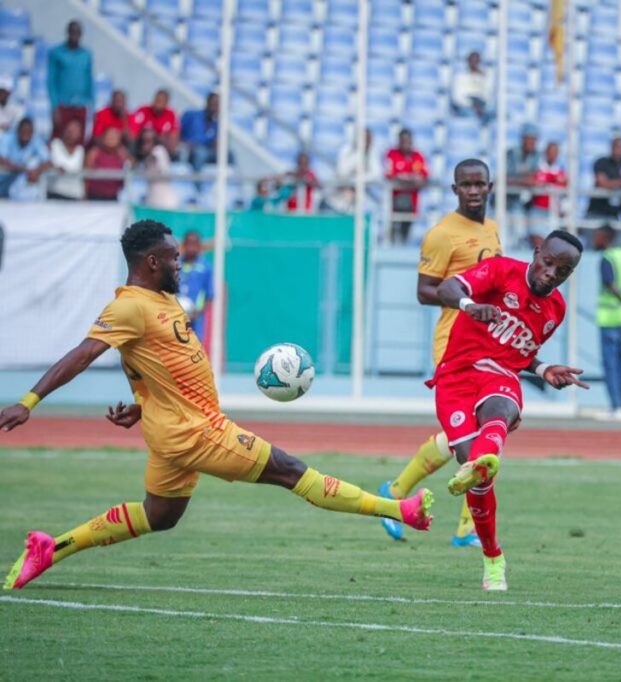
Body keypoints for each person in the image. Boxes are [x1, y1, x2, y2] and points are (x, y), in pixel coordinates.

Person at [1, 219, 434, 591]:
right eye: (172, 257)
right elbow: (85, 353)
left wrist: (144, 400)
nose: (179, 263)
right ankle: (399, 509)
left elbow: (142, 359)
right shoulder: (130, 305)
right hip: (197, 432)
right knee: (291, 471)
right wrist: (29, 402)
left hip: (173, 428)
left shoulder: (163, 300)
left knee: (160, 516)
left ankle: (50, 548)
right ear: (151, 262)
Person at [429, 230, 587, 590]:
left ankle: (485, 459)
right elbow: (446, 290)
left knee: (499, 407)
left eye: (562, 271)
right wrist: (470, 306)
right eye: (548, 262)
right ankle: (493, 555)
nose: (551, 273)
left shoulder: (555, 310)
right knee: (479, 480)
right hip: (455, 377)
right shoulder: (500, 271)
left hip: (498, 376)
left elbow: (517, 354)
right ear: (537, 253)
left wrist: (543, 369)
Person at [377, 158, 503, 548]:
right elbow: (424, 290)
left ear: (489, 186)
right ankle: (465, 521)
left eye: (479, 184)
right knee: (473, 434)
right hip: (454, 341)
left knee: (471, 433)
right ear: (454, 190)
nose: (473, 190)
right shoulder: (442, 235)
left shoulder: (494, 230)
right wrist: (468, 306)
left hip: (488, 341)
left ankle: (397, 492)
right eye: (465, 185)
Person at [593, 224, 621, 422]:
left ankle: (616, 406)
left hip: (609, 318)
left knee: (611, 364)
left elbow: (610, 286)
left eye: (597, 236)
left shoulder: (607, 258)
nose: (594, 239)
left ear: (605, 237)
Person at [586, 134, 621, 245]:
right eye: (616, 147)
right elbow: (602, 182)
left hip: (616, 215)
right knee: (591, 244)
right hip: (597, 212)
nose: (618, 150)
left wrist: (615, 184)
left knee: (620, 246)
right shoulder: (602, 162)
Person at [47, 21, 93, 141]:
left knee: (78, 139)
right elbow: (51, 81)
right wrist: (55, 106)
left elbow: (89, 80)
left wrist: (90, 103)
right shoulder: (57, 53)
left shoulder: (86, 55)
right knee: (58, 138)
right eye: (72, 32)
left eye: (77, 32)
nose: (74, 35)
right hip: (63, 104)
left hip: (80, 104)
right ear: (67, 33)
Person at [384, 128, 429, 244]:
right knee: (393, 228)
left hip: (412, 202)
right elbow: (390, 177)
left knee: (406, 230)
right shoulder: (392, 154)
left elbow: (424, 179)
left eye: (408, 141)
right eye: (403, 141)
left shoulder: (418, 157)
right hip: (394, 201)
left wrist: (404, 179)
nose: (406, 144)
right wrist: (411, 180)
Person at [330, 128, 382, 213]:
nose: (368, 143)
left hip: (357, 199)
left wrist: (358, 178)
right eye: (365, 140)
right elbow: (342, 172)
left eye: (369, 140)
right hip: (338, 199)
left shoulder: (371, 153)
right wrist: (358, 155)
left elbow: (376, 174)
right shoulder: (346, 150)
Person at [178, 230, 214, 349]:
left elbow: (210, 295)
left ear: (199, 246)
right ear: (184, 245)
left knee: (193, 350)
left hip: (195, 320)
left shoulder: (205, 267)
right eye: (189, 243)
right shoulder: (175, 265)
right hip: (175, 318)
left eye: (195, 244)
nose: (191, 247)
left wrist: (196, 313)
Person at [528, 141, 568, 248]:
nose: (553, 155)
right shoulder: (537, 168)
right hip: (538, 210)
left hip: (553, 212)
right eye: (550, 152)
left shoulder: (561, 172)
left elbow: (565, 195)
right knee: (537, 240)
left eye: (555, 152)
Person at [506, 123, 541, 244]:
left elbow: (537, 178)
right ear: (523, 139)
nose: (531, 142)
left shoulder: (537, 156)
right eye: (529, 139)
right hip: (507, 203)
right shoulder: (511, 154)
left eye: (534, 139)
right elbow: (502, 179)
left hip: (524, 204)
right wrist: (522, 181)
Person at [0, 117, 51, 199]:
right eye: (23, 131)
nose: (25, 134)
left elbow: (48, 162)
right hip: (2, 179)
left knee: (35, 162)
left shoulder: (36, 140)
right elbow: (1, 160)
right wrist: (24, 170)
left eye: (29, 131)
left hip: (18, 185)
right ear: (18, 130)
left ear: (32, 132)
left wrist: (36, 171)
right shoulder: (8, 137)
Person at [134, 127, 179, 210]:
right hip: (153, 196)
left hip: (165, 199)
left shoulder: (159, 151)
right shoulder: (145, 157)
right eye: (144, 141)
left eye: (149, 141)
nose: (146, 144)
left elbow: (154, 160)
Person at [84, 126, 130, 202]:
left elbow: (129, 171)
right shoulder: (94, 153)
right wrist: (84, 197)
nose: (111, 138)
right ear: (103, 138)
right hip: (94, 196)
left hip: (113, 197)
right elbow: (85, 177)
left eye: (115, 136)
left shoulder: (122, 154)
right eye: (109, 135)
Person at [131, 89, 180, 158]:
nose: (158, 103)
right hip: (140, 145)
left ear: (166, 103)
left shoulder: (171, 115)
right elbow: (133, 133)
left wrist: (158, 138)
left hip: (161, 147)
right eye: (157, 99)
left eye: (162, 101)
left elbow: (174, 137)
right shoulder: (143, 110)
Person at [180, 92, 222, 173]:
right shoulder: (192, 115)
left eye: (217, 105)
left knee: (230, 155)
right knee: (200, 154)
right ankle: (197, 183)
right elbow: (178, 131)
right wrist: (185, 142)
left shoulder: (217, 124)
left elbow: (215, 143)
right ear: (207, 103)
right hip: (191, 149)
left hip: (207, 150)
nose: (215, 107)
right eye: (214, 103)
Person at [47, 118, 85, 201]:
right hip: (55, 193)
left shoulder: (80, 151)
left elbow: (84, 176)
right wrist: (55, 168)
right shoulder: (54, 145)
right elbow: (45, 163)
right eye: (69, 130)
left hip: (74, 195)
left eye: (75, 131)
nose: (71, 134)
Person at [450, 51, 491, 122]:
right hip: (465, 106)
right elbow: (457, 98)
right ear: (468, 62)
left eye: (477, 61)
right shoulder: (461, 77)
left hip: (480, 106)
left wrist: (479, 105)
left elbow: (487, 96)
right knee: (472, 116)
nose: (474, 63)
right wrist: (472, 105)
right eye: (472, 61)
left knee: (490, 115)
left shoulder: (484, 78)